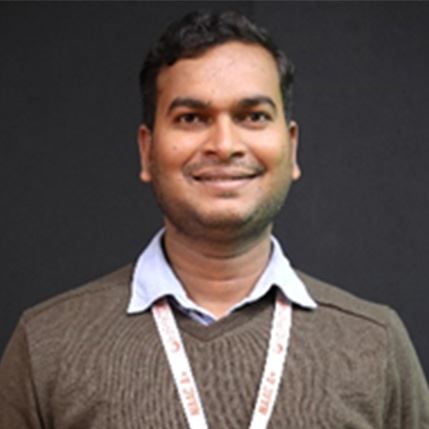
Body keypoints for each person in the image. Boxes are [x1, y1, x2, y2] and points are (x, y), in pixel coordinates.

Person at [1, 9, 428, 429]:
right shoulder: (47, 344)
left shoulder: (376, 343)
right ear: (147, 151)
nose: (224, 145)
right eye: (191, 118)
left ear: (292, 147)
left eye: (253, 116)